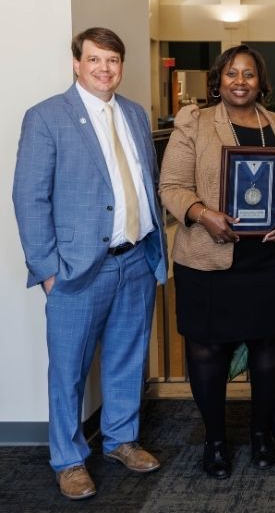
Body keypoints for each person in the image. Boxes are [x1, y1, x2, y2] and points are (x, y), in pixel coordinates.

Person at [12, 27, 168, 500]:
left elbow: (144, 183)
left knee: (127, 357)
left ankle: (121, 439)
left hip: (135, 260)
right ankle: (68, 459)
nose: (105, 69)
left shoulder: (136, 115)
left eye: (113, 61)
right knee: (69, 370)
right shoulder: (46, 118)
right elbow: (29, 197)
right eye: (95, 60)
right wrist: (47, 270)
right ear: (76, 64)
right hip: (78, 269)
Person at [159, 44, 275, 479]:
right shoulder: (194, 123)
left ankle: (261, 433)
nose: (240, 81)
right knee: (207, 350)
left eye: (249, 74)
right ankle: (214, 439)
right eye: (232, 73)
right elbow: (171, 185)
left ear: (260, 82)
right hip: (209, 259)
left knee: (270, 347)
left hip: (272, 258)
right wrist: (201, 213)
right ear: (218, 80)